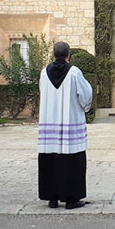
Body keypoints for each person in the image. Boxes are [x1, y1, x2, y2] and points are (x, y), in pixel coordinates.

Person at [38, 41, 93, 209]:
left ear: (53, 54)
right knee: (72, 161)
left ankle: (52, 198)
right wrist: (85, 107)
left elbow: (42, 91)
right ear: (68, 55)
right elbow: (85, 94)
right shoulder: (74, 73)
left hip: (50, 125)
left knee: (51, 159)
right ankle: (71, 199)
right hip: (70, 123)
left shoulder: (43, 73)